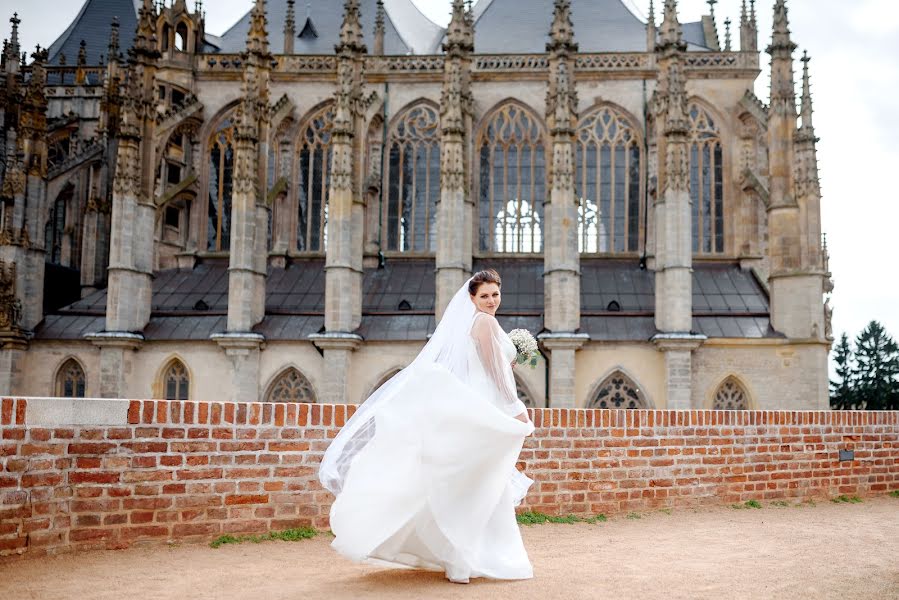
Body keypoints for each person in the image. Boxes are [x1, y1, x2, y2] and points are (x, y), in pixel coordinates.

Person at [319, 269, 535, 584]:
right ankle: (468, 558)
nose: (491, 301)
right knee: (482, 483)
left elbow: (488, 365)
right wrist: (516, 408)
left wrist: (509, 361)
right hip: (487, 407)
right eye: (484, 296)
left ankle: (462, 558)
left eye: (495, 294)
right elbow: (494, 372)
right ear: (472, 298)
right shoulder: (485, 323)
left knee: (478, 482)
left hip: (479, 404)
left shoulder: (474, 324)